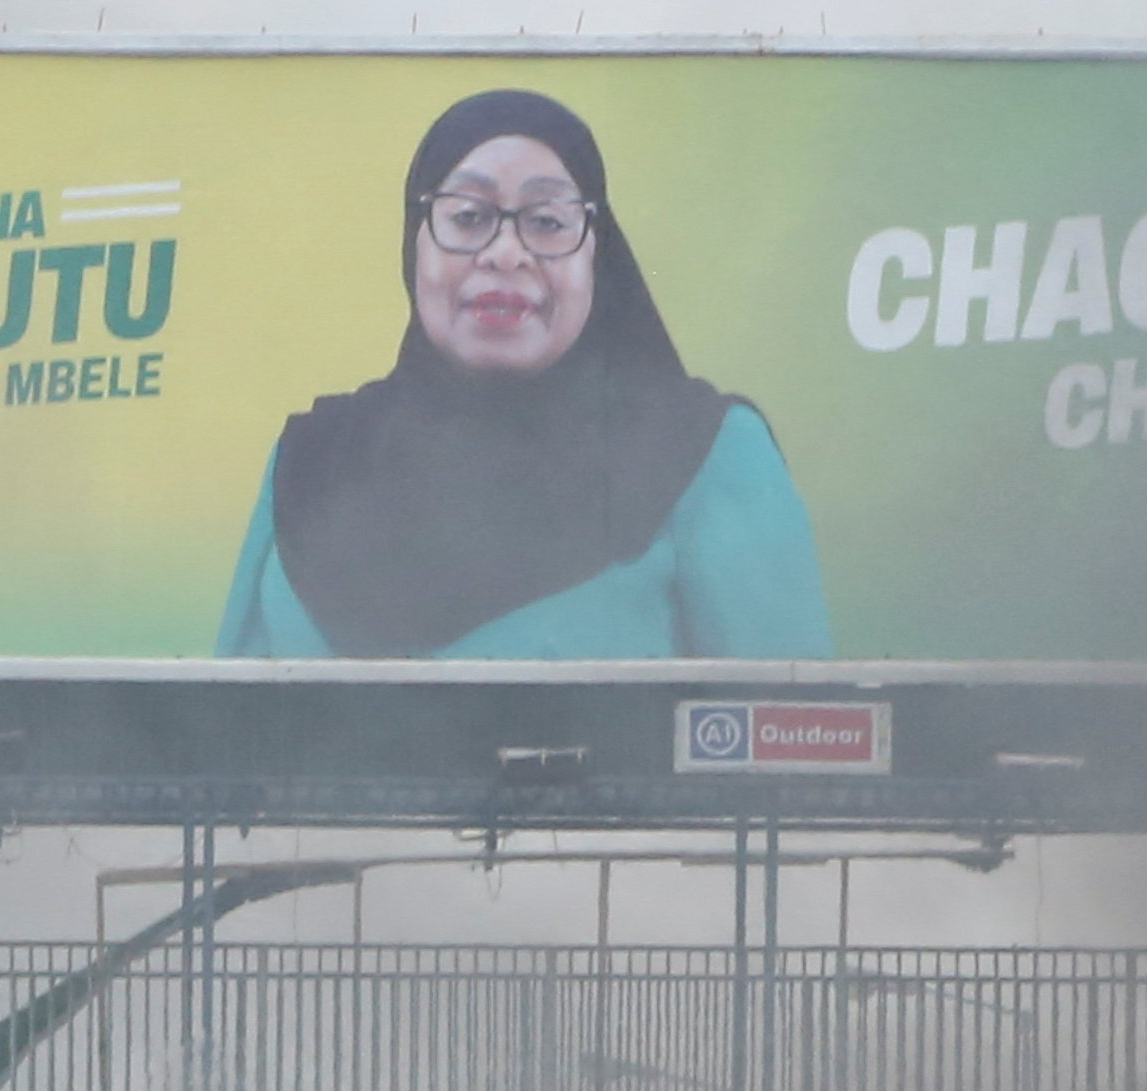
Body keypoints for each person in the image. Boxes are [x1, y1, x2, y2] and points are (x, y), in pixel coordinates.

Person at [215, 84, 827, 662]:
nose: (506, 252)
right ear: (415, 243)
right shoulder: (311, 462)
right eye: (469, 216)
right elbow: (216, 749)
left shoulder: (705, 455)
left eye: (547, 221)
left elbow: (787, 740)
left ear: (596, 252)